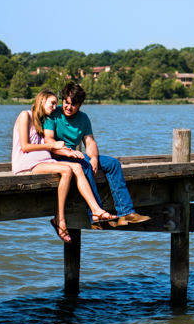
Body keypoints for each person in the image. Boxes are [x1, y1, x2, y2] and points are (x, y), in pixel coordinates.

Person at [12, 89, 118, 243]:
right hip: (25, 162)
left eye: (56, 104)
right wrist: (55, 144)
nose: (55, 107)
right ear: (42, 100)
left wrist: (69, 151)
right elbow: (25, 146)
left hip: (41, 161)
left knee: (77, 167)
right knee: (67, 169)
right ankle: (60, 218)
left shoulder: (42, 120)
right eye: (52, 103)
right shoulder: (25, 115)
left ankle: (96, 210)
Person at [45, 82, 150, 226]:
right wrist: (69, 153)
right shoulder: (53, 115)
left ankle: (126, 213)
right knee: (85, 165)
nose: (69, 107)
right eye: (66, 103)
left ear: (80, 105)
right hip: (58, 157)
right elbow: (49, 141)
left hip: (77, 156)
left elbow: (90, 142)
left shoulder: (83, 118)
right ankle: (95, 214)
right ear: (63, 100)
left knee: (113, 164)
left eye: (73, 104)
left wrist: (94, 158)